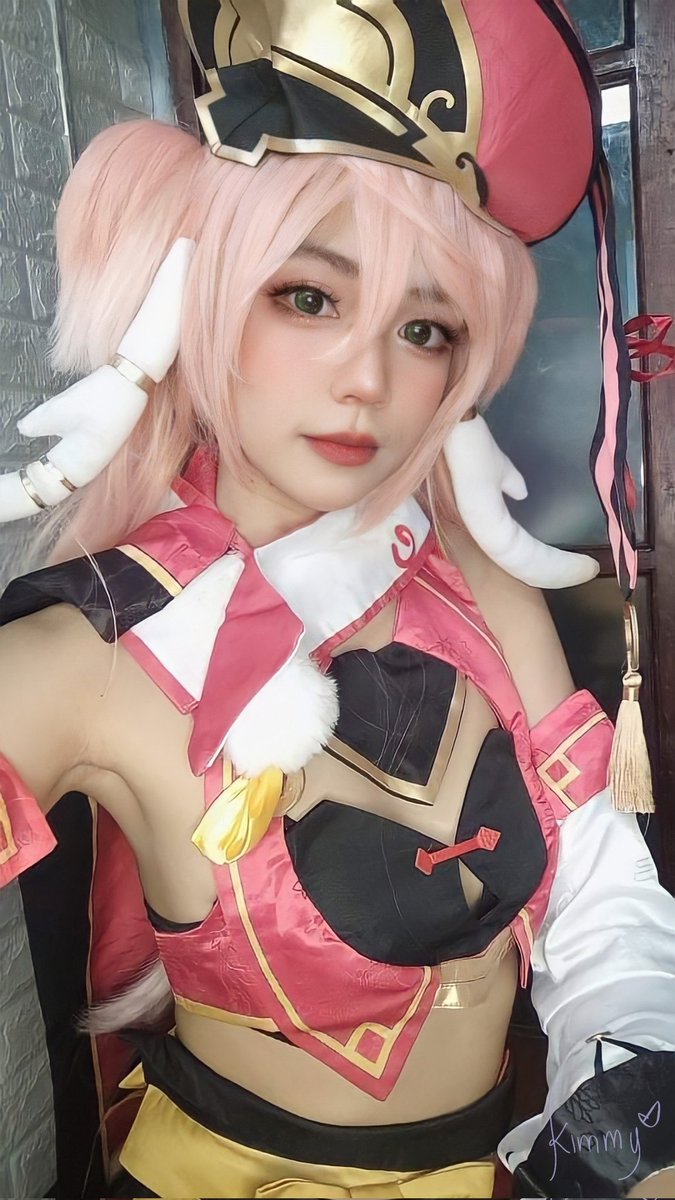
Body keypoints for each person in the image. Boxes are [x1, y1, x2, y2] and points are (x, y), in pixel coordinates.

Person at [1, 2, 675, 1197]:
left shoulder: (484, 591)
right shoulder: (88, 656)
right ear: (198, 301)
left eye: (424, 327)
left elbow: (600, 894)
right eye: (309, 298)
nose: (368, 377)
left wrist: (631, 1128)